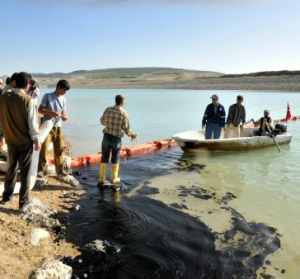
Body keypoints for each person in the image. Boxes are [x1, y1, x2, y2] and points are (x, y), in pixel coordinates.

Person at [0, 72, 40, 209]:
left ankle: (6, 196)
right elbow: (32, 124)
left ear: (14, 82)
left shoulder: (3, 97)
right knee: (25, 173)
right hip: (24, 142)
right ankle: (23, 202)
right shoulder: (28, 100)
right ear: (28, 84)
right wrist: (36, 140)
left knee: (11, 169)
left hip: (10, 139)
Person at [99, 95, 137, 189]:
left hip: (106, 137)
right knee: (115, 158)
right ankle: (114, 179)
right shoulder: (124, 113)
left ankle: (101, 179)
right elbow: (126, 129)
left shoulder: (108, 109)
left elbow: (102, 122)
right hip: (116, 139)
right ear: (122, 102)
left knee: (104, 157)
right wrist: (132, 135)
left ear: (115, 101)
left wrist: (108, 123)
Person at [38, 80, 70, 182]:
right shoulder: (47, 96)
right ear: (58, 87)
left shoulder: (64, 99)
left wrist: (65, 117)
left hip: (58, 126)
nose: (65, 92)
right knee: (43, 148)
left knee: (59, 149)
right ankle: (41, 170)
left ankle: (60, 171)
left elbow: (64, 113)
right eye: (64, 90)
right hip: (47, 126)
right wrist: (51, 112)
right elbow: (40, 110)